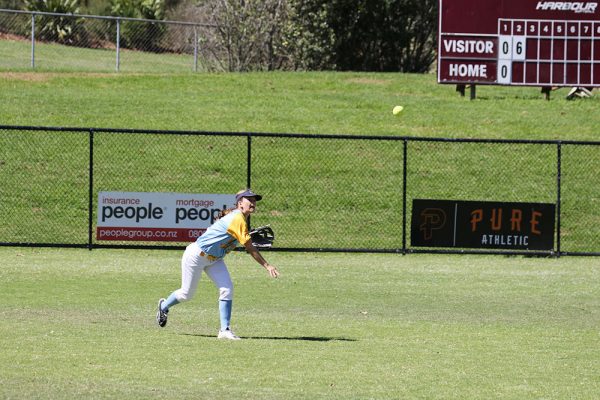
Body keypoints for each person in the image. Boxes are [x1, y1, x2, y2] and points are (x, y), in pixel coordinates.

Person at [156, 189, 280, 340]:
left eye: (254, 200)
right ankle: (163, 306)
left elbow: (233, 238)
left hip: (214, 259)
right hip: (196, 256)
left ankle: (224, 330)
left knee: (227, 288)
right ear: (240, 204)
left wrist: (247, 236)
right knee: (186, 294)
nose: (253, 202)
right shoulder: (238, 219)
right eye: (249, 200)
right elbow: (249, 248)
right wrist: (267, 265)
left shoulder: (239, 219)